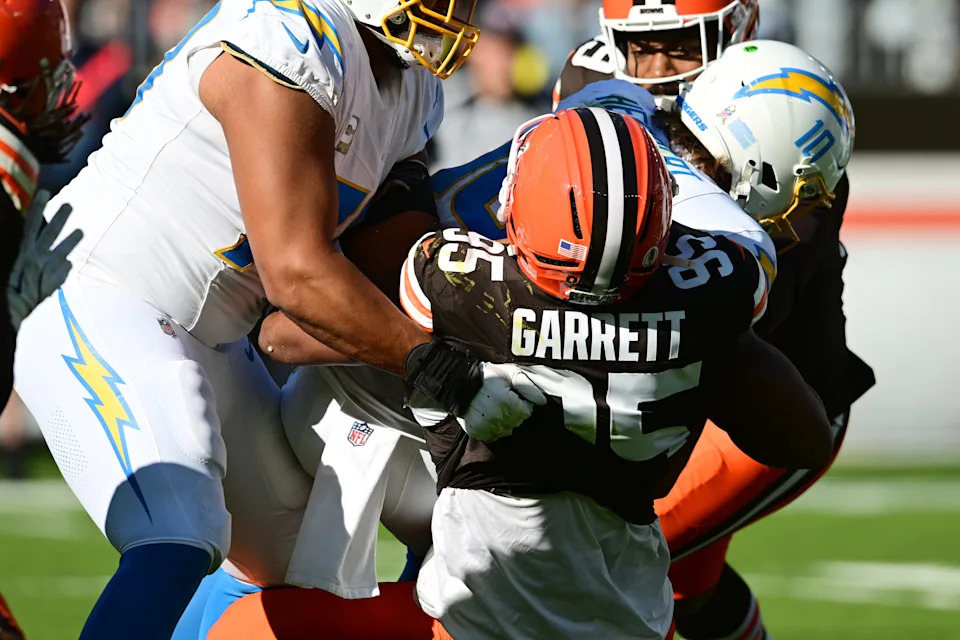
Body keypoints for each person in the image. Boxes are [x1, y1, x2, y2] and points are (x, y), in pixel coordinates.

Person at [10, 1, 551, 638]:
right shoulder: (288, 37)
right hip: (106, 291)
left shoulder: (410, 84)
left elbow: (393, 256)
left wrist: (492, 327)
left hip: (212, 332)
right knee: (178, 527)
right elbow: (296, 273)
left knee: (293, 561)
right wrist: (448, 370)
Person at [402, 107, 831, 639]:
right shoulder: (711, 295)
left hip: (478, 610)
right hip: (630, 602)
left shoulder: (462, 286)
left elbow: (294, 326)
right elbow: (807, 438)